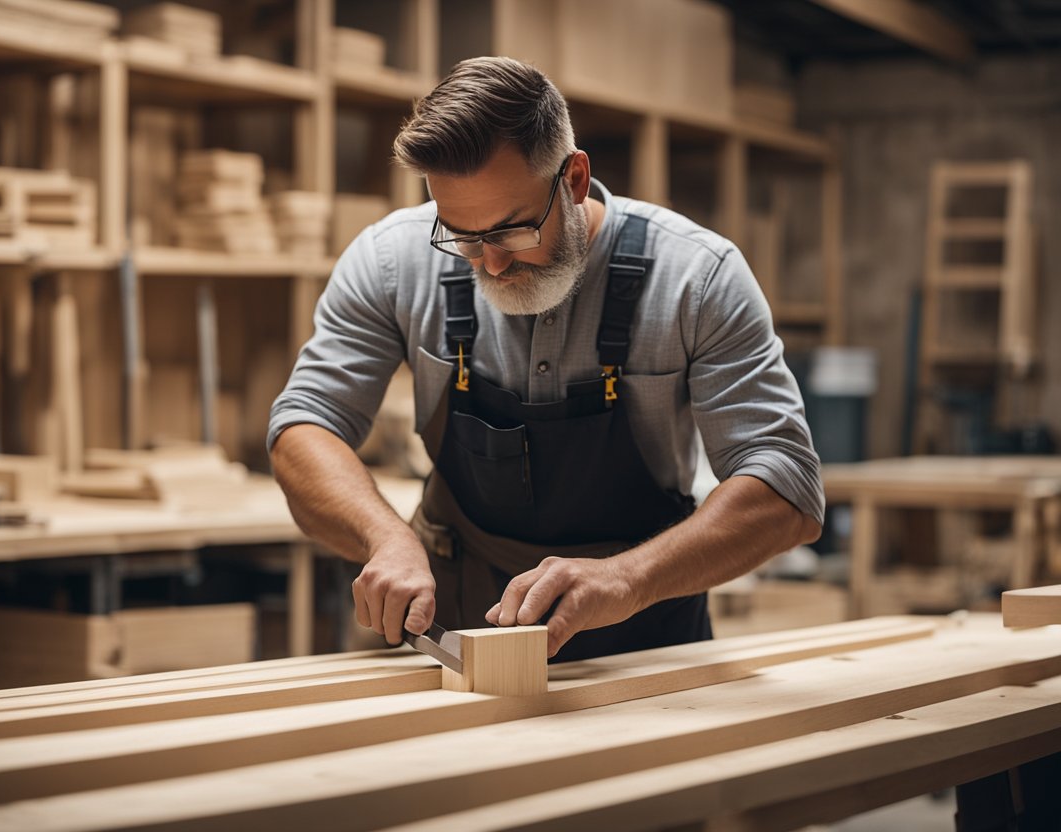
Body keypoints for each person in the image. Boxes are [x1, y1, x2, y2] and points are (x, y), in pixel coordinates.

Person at [268, 56, 824, 662]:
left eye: (512, 231)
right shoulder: (390, 262)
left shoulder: (699, 278)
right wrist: (384, 537)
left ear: (575, 179)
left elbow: (786, 486)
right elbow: (304, 425)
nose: (492, 263)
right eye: (461, 235)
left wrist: (624, 578)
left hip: (644, 641)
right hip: (455, 636)